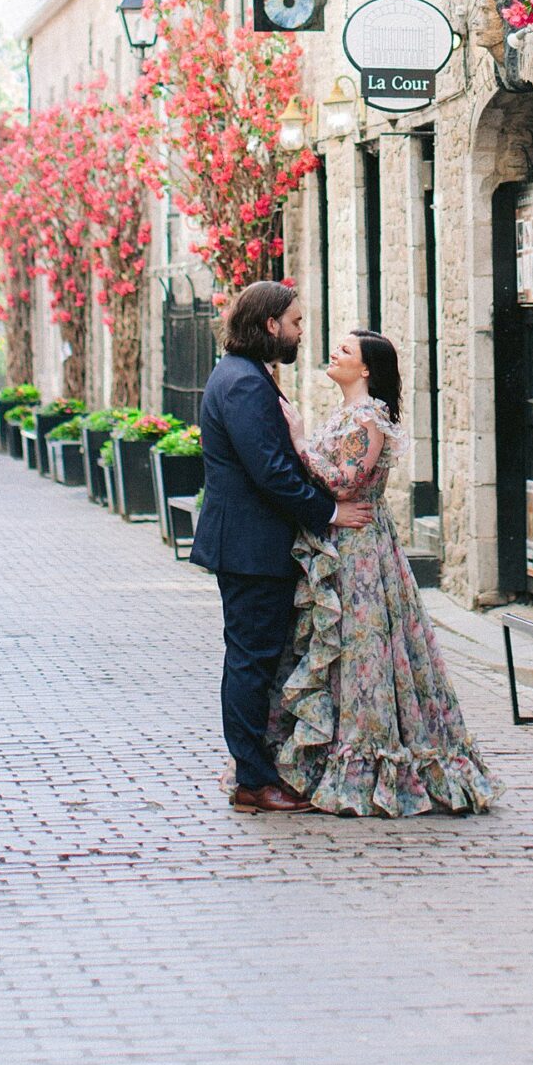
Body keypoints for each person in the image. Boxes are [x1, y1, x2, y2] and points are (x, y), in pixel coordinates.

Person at [272, 328, 497, 817]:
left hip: (360, 554)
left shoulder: (370, 417)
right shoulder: (351, 414)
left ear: (367, 369)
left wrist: (296, 440)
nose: (335, 353)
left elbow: (345, 483)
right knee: (344, 651)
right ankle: (326, 755)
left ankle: (370, 765)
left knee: (363, 650)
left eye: (346, 351)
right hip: (342, 544)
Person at [190, 280, 373, 813]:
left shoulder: (246, 375)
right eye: (294, 322)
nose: (299, 332)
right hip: (250, 546)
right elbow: (270, 472)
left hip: (253, 543)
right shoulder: (244, 382)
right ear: (270, 325)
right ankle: (252, 779)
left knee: (256, 658)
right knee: (250, 660)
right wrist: (331, 510)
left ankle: (258, 770)